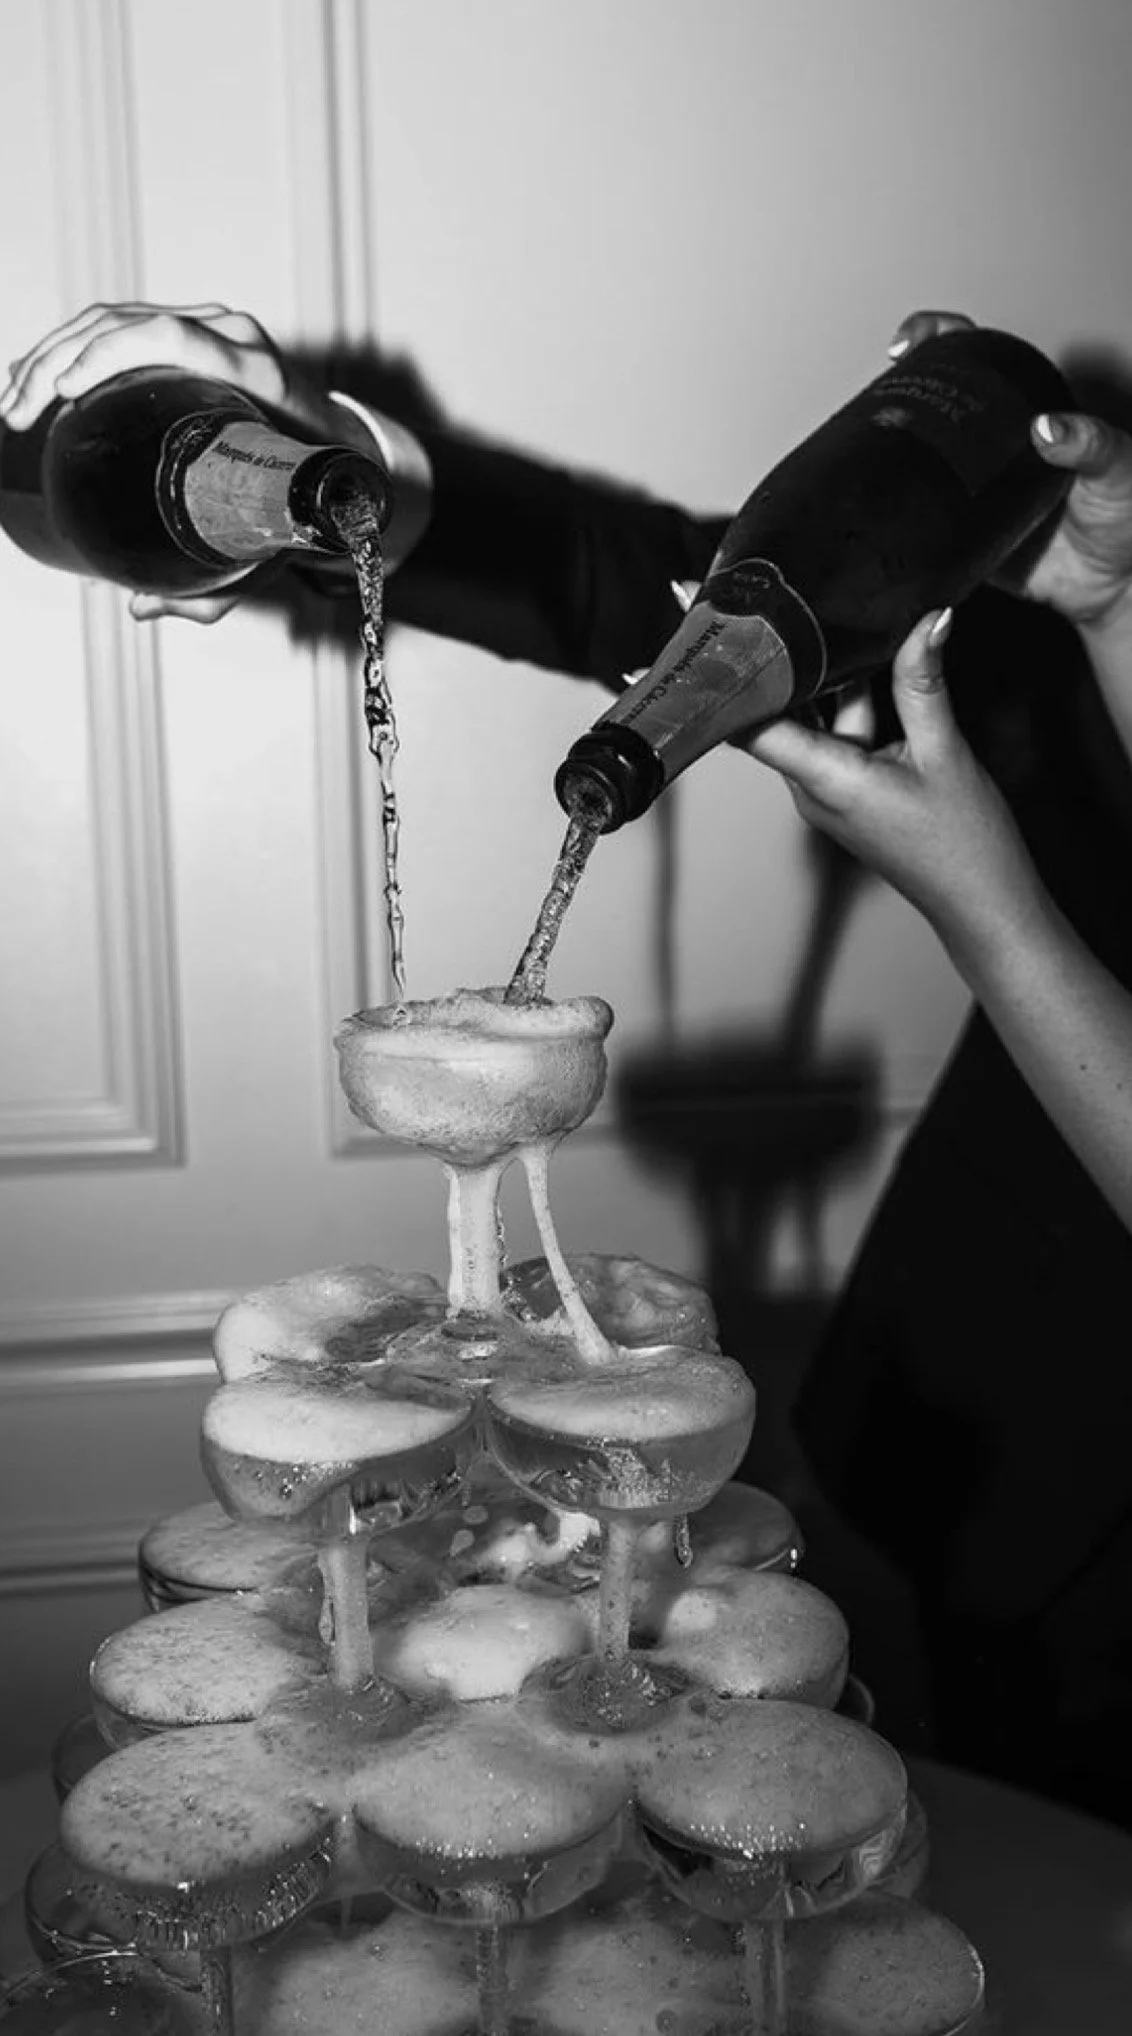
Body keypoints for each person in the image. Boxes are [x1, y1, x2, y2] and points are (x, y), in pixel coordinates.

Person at [4, 302, 1132, 1826]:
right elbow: (635, 579)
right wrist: (331, 479)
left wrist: (990, 919)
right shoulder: (1041, 614)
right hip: (937, 1421)